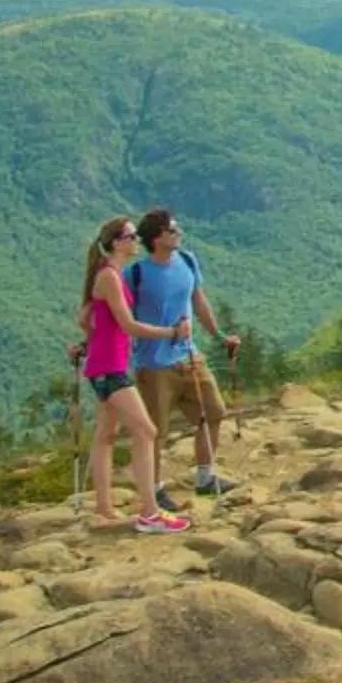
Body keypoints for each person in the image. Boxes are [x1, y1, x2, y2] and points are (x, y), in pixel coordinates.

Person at [79, 217, 190, 533]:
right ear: (117, 242)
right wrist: (172, 333)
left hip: (103, 366)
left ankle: (104, 506)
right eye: (130, 236)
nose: (136, 240)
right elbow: (128, 325)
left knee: (106, 436)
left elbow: (84, 316)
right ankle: (150, 513)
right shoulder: (111, 278)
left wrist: (89, 342)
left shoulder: (107, 276)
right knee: (146, 432)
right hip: (110, 369)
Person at [131, 207, 242, 509]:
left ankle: (205, 477)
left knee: (214, 412)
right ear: (157, 238)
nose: (179, 233)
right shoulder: (136, 274)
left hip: (189, 356)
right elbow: (119, 315)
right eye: (172, 230)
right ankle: (154, 490)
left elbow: (199, 301)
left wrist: (219, 337)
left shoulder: (187, 261)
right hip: (154, 364)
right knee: (155, 431)